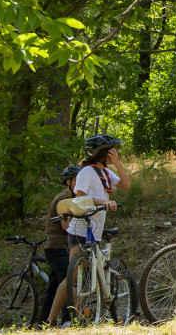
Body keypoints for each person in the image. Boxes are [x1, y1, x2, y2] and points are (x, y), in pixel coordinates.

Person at [48, 134, 130, 324]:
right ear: (102, 153)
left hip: (95, 231)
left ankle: (107, 316)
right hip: (79, 230)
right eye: (112, 151)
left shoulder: (106, 173)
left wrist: (117, 163)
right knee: (73, 279)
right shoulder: (86, 172)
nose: (114, 153)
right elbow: (79, 196)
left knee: (99, 274)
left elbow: (126, 185)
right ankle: (51, 320)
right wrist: (104, 202)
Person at [39, 165, 80, 325]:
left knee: (54, 286)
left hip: (58, 247)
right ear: (68, 182)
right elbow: (65, 226)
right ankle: (67, 320)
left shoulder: (72, 196)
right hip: (58, 247)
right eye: (76, 180)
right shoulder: (65, 198)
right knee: (68, 281)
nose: (79, 183)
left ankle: (43, 322)